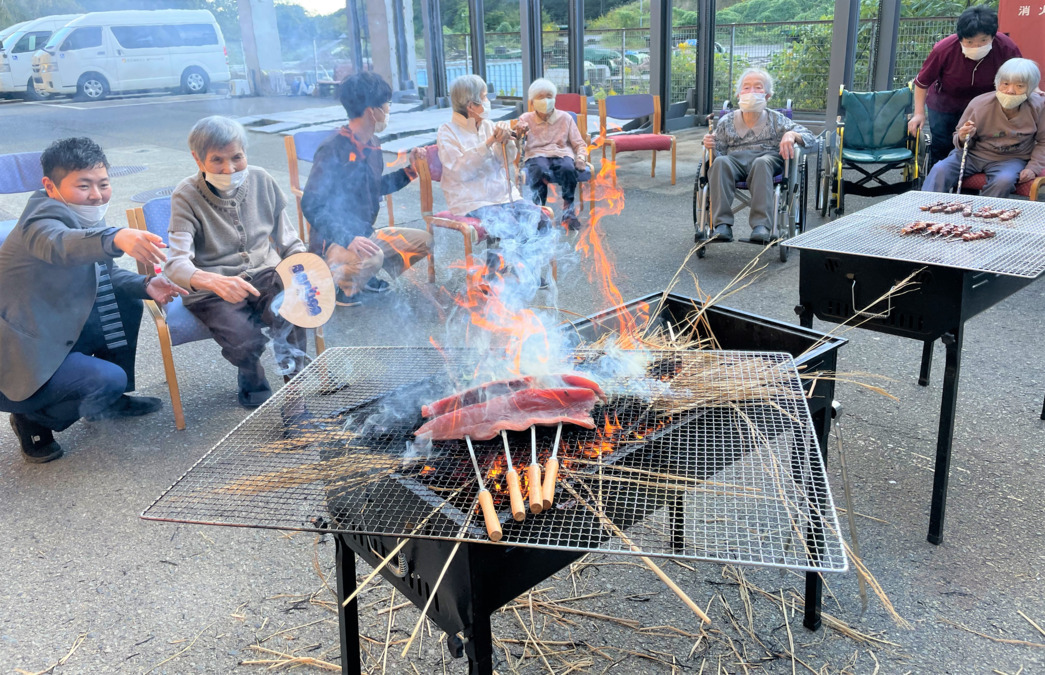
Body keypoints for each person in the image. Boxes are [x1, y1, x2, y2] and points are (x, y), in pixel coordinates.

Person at [0, 137, 185, 463]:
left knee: (126, 298)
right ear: (50, 185)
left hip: (58, 324)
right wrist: (115, 237)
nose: (97, 195)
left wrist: (147, 284)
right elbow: (60, 244)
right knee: (106, 379)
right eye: (83, 185)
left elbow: (104, 275)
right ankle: (33, 418)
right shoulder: (39, 221)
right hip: (25, 350)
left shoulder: (82, 214)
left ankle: (109, 401)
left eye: (103, 183)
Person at [165, 116, 308, 409]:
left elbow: (290, 241)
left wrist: (303, 270)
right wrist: (213, 281)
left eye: (237, 157)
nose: (229, 168)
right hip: (213, 287)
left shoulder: (262, 180)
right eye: (217, 160)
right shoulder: (186, 195)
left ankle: (296, 402)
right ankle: (249, 370)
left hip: (267, 274)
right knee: (245, 343)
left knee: (294, 312)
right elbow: (175, 264)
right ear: (197, 159)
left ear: (245, 152)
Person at [301, 72, 431, 306]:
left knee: (423, 241)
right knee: (373, 257)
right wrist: (347, 238)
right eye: (387, 105)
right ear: (373, 111)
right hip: (334, 240)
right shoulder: (333, 148)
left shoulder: (373, 144)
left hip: (363, 234)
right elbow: (311, 203)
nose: (389, 110)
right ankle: (340, 287)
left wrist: (411, 170)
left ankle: (363, 276)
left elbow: (375, 186)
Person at [437, 74, 552, 281]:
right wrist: (489, 142)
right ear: (471, 105)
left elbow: (506, 161)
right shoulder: (447, 132)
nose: (488, 100)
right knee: (508, 224)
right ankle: (497, 273)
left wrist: (508, 140)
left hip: (501, 195)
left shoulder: (489, 125)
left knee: (541, 219)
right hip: (471, 199)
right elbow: (461, 170)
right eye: (484, 96)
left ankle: (523, 268)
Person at [702, 67, 815, 244]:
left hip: (768, 159)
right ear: (739, 94)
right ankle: (721, 225)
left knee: (762, 163)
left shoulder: (777, 119)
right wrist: (711, 145)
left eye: (758, 87)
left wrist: (791, 135)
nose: (751, 92)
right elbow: (719, 154)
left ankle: (761, 227)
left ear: (768, 95)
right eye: (746, 88)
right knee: (720, 163)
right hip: (734, 161)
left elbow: (811, 139)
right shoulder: (726, 121)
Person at [908, 6, 1022, 168]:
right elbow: (922, 82)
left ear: (993, 36)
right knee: (943, 146)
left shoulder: (1006, 47)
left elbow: (1021, 77)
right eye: (970, 42)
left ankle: (968, 190)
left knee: (976, 147)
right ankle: (937, 187)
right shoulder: (944, 49)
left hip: (985, 107)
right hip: (945, 105)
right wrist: (918, 113)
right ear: (960, 38)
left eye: (983, 41)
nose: (976, 46)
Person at [923, 58, 1045, 197]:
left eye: (1020, 86)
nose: (1010, 91)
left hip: (1012, 158)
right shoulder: (980, 104)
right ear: (997, 83)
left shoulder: (1039, 106)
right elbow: (959, 138)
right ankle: (926, 211)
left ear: (1031, 88)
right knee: (940, 170)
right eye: (1005, 84)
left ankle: (985, 216)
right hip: (974, 154)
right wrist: (963, 136)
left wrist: (1033, 168)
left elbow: (1043, 141)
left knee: (1003, 181)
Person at [515, 78, 589, 230]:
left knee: (568, 168)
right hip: (536, 154)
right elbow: (517, 146)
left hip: (561, 153)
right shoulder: (525, 119)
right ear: (532, 101)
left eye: (549, 96)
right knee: (539, 169)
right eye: (540, 97)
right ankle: (540, 214)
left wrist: (581, 158)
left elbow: (579, 143)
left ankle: (569, 213)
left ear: (555, 99)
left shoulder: (565, 118)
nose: (546, 100)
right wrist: (519, 133)